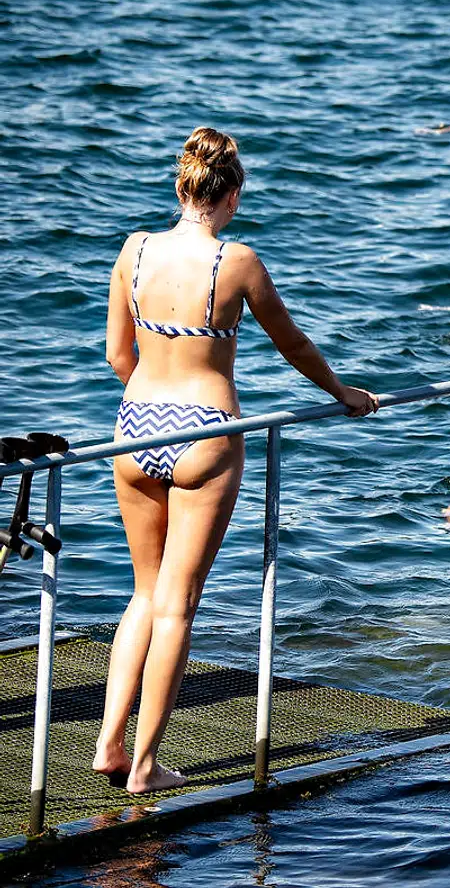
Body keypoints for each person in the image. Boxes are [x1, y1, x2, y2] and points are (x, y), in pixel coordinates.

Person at [97, 127, 379, 794]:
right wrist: (343, 394)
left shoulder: (134, 250)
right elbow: (294, 344)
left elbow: (116, 355)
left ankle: (108, 744)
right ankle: (143, 768)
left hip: (135, 425)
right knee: (178, 606)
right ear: (234, 195)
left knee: (143, 593)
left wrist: (151, 402)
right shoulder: (238, 262)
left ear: (180, 188)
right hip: (205, 427)